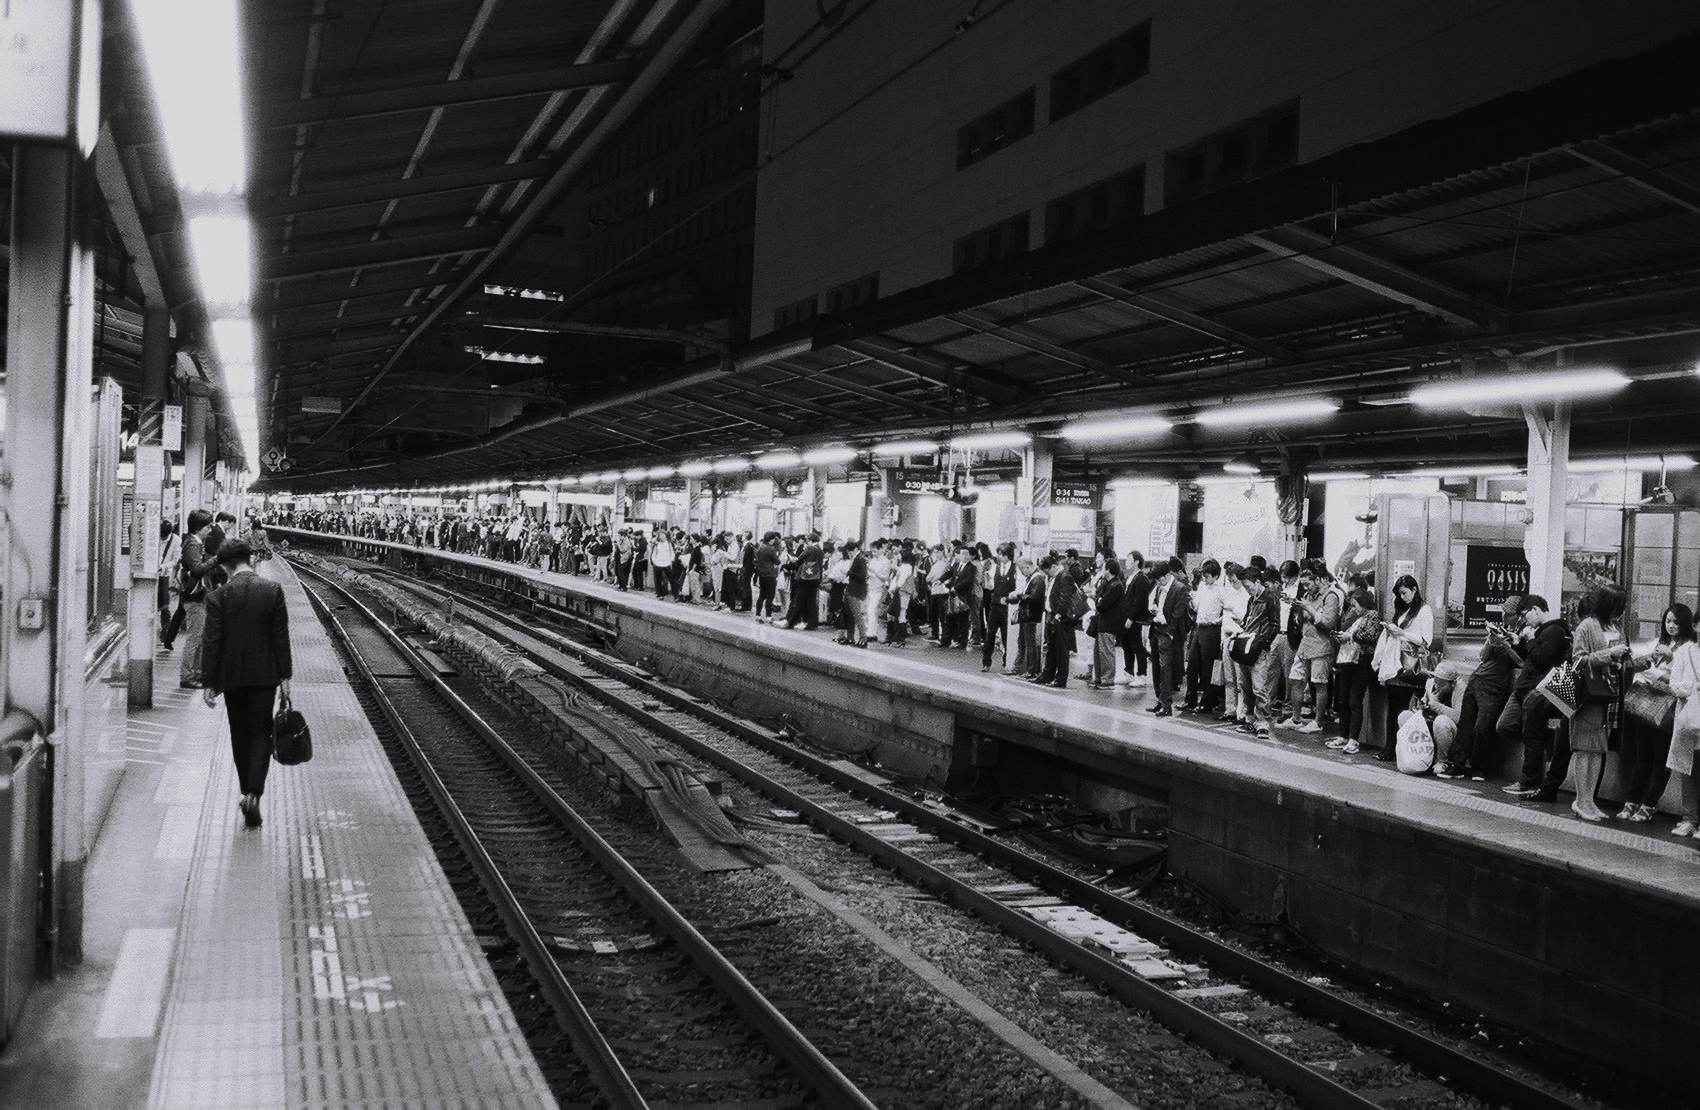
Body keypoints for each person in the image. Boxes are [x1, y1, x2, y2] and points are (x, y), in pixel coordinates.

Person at [199, 541, 293, 829]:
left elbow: (212, 641)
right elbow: (280, 637)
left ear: (226, 566)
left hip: (233, 678)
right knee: (261, 733)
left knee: (239, 734)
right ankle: (254, 793)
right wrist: (285, 678)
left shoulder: (218, 596)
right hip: (265, 676)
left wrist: (209, 682)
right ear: (249, 560)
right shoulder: (272, 590)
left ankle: (245, 791)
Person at [1433, 595, 1524, 780]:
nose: (1505, 617)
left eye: (1509, 614)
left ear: (1519, 615)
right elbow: (1483, 657)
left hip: (1494, 687)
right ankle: (1458, 765)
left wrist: (1506, 644)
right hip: (1477, 679)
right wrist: (1491, 639)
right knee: (1465, 726)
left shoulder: (1520, 637)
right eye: (1504, 613)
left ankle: (1478, 768)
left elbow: (1521, 661)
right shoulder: (1503, 629)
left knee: (1482, 728)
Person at [1618, 604, 1693, 820]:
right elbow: (1636, 668)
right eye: (1668, 621)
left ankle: (1650, 804)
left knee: (1661, 759)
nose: (1671, 626)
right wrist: (1652, 659)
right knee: (1642, 756)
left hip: (1670, 710)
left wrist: (1664, 667)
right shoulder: (1656, 643)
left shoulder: (1688, 649)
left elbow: (1683, 683)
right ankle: (1631, 801)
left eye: (1676, 622)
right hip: (1646, 707)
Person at [1565, 585, 1631, 821]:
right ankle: (1581, 800)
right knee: (1585, 749)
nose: (1620, 612)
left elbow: (1624, 662)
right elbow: (1578, 660)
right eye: (1617, 607)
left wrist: (1629, 660)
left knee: (1598, 750)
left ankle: (1590, 800)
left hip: (1609, 696)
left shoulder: (1616, 629)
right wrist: (1609, 655)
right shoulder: (1587, 626)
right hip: (1589, 696)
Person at [1499, 595, 1574, 798]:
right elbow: (1529, 658)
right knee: (1504, 725)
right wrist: (1518, 643)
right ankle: (1542, 742)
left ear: (1535, 609)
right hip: (1523, 689)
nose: (1524, 620)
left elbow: (1542, 660)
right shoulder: (1540, 631)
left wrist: (1531, 640)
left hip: (1538, 691)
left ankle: (1528, 781)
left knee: (1532, 736)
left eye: (1525, 615)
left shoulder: (1556, 631)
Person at [1371, 574, 1434, 762]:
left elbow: (1426, 640)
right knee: (1393, 707)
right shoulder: (1403, 609)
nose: (1402, 597)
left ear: (1414, 590)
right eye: (1400, 594)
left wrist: (1402, 633)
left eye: (1405, 593)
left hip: (1409, 665)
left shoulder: (1424, 610)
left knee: (1400, 708)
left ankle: (1392, 748)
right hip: (1396, 663)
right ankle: (1388, 748)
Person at [1280, 559, 1340, 733]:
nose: (1306, 588)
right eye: (1303, 585)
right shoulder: (1307, 596)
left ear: (1318, 579)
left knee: (1319, 683)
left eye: (1308, 584)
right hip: (1305, 643)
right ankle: (1296, 718)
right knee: (1295, 679)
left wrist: (1309, 608)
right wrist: (1298, 608)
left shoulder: (1330, 597)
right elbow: (1300, 622)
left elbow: (1328, 623)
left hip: (1321, 645)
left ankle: (1318, 721)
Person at [1328, 587, 1382, 754]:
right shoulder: (1359, 618)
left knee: (1354, 700)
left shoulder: (1372, 615)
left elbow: (1370, 636)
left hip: (1363, 662)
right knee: (1343, 699)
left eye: (1355, 605)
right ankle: (1343, 735)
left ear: (1363, 602)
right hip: (1349, 661)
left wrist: (1350, 636)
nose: (1354, 608)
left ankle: (1353, 739)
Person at [1233, 568, 1283, 739]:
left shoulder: (1270, 598)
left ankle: (1263, 722)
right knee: (1246, 686)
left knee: (1259, 687)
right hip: (1247, 646)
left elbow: (1275, 624)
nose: (1247, 590)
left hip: (1258, 648)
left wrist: (1264, 643)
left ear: (1257, 582)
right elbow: (1248, 619)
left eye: (1248, 586)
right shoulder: (1252, 599)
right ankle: (1250, 719)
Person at [1664, 612, 1700, 838]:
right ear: (1695, 626)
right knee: (1688, 769)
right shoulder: (1685, 651)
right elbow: (1673, 684)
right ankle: (1690, 819)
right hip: (1688, 717)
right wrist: (1692, 689)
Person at [177, 510, 219, 688]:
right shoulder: (193, 544)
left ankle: (197, 673)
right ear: (200, 527)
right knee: (194, 639)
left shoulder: (195, 542)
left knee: (200, 638)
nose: (210, 530)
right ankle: (187, 676)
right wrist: (216, 559)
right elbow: (197, 569)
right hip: (194, 598)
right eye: (208, 527)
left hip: (199, 596)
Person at [1147, 557, 1191, 716]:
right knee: (1156, 668)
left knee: (1165, 668)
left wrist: (1170, 633)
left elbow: (1177, 615)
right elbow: (1159, 606)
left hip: (1168, 633)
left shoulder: (1180, 588)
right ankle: (1160, 700)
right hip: (1156, 629)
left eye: (1160, 580)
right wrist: (1155, 610)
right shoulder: (1160, 588)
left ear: (1167, 575)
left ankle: (1167, 704)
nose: (1158, 583)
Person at [1182, 560, 1224, 714]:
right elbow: (1196, 606)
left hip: (1211, 630)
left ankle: (1206, 702)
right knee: (1192, 666)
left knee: (1207, 668)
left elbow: (1228, 609)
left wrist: (1219, 620)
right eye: (1204, 576)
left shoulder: (1221, 590)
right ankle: (1190, 700)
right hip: (1199, 627)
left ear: (1216, 576)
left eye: (1208, 576)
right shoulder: (1201, 586)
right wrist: (1191, 600)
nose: (1205, 579)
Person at [1033, 555, 1080, 688]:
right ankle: (1047, 675)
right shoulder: (1056, 576)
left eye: (1048, 571)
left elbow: (1064, 598)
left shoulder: (1064, 576)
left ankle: (1061, 679)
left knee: (1061, 650)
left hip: (1060, 618)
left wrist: (1058, 615)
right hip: (1052, 615)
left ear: (1053, 566)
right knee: (1052, 648)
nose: (1047, 574)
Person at [1089, 559, 1126, 689]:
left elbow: (1102, 604)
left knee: (1106, 652)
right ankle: (1099, 677)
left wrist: (1098, 600)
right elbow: (1099, 598)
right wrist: (1099, 599)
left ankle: (1108, 679)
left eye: (1104, 568)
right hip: (1103, 622)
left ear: (1109, 570)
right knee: (1099, 652)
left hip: (1109, 623)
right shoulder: (1108, 584)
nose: (1102, 571)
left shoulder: (1116, 586)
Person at [785, 532, 824, 630]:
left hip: (806, 577)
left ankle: (791, 622)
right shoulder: (820, 550)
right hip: (816, 577)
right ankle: (812, 623)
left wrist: (793, 558)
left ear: (810, 540)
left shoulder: (810, 548)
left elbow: (799, 559)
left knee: (800, 600)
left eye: (807, 540)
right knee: (811, 601)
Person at [837, 539, 870, 647]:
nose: (849, 554)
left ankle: (863, 638)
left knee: (857, 615)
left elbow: (863, 576)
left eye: (850, 551)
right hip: (850, 589)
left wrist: (849, 572)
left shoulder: (860, 559)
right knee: (849, 615)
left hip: (856, 591)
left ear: (855, 549)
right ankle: (850, 637)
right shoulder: (855, 559)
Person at [753, 532, 782, 623]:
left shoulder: (761, 547)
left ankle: (758, 615)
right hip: (770, 574)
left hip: (761, 574)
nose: (774, 541)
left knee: (761, 595)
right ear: (771, 539)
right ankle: (768, 616)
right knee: (770, 596)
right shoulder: (771, 548)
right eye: (773, 539)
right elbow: (777, 561)